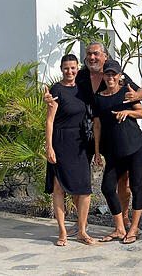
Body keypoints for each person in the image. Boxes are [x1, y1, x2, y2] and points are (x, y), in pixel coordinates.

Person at [76, 41, 142, 225]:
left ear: (105, 56)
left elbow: (140, 93)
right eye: (89, 54)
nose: (92, 57)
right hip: (83, 133)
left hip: (112, 136)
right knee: (81, 176)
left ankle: (123, 218)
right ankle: (80, 222)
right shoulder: (81, 75)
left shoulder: (116, 75)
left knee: (123, 180)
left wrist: (135, 97)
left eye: (96, 54)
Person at [92, 59, 142, 244]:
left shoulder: (126, 92)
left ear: (119, 75)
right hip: (114, 152)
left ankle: (133, 228)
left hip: (135, 147)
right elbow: (97, 125)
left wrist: (128, 112)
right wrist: (97, 152)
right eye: (107, 74)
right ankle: (119, 228)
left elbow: (141, 113)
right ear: (104, 75)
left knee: (137, 186)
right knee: (107, 187)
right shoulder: (99, 97)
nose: (111, 77)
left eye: (114, 74)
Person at [43, 54, 95, 246]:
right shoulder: (56, 90)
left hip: (80, 142)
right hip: (61, 141)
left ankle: (81, 230)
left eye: (73, 68)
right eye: (66, 68)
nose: (70, 71)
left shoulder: (81, 89)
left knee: (85, 188)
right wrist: (49, 147)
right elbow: (49, 121)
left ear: (77, 68)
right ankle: (63, 232)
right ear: (61, 69)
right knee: (59, 187)